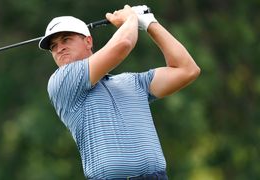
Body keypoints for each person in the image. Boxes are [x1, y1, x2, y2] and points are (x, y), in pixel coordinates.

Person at [39, 4, 200, 180]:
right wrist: (131, 18)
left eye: (66, 39)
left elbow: (187, 70)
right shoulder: (61, 81)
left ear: (88, 41)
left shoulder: (133, 82)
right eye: (53, 46)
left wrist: (150, 23)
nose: (59, 48)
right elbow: (123, 44)